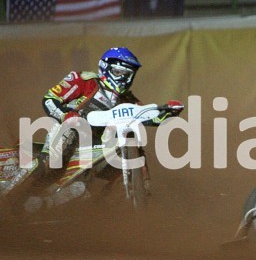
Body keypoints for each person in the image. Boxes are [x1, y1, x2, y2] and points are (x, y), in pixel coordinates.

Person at [40, 48, 182, 176]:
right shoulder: (86, 81)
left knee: (131, 139)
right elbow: (50, 99)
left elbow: (146, 116)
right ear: (106, 68)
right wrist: (65, 115)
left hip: (96, 147)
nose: (123, 79)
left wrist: (167, 112)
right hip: (72, 133)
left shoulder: (127, 99)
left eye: (128, 75)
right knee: (62, 138)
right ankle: (40, 169)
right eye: (119, 73)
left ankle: (134, 188)